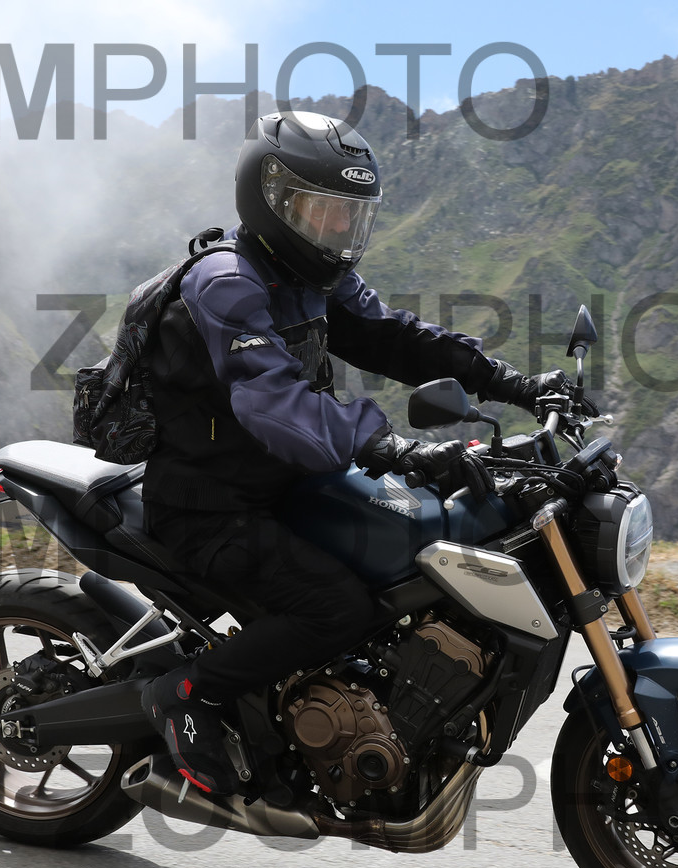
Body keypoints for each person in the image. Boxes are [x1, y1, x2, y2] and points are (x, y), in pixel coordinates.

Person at [140, 110, 572, 797]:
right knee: (336, 607)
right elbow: (274, 401)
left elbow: (396, 337)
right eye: (324, 210)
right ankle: (187, 692)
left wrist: (513, 383)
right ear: (272, 200)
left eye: (351, 213)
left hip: (288, 483)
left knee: (398, 565)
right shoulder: (227, 282)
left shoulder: (311, 276)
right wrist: (389, 445)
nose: (340, 227)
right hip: (209, 504)